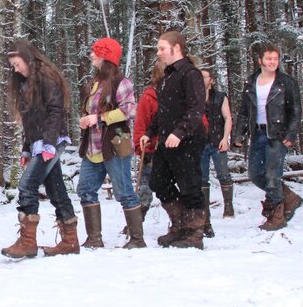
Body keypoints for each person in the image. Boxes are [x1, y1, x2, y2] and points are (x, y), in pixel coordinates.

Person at [1, 40, 80, 258]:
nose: (16, 69)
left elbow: (55, 112)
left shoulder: (46, 78)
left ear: (28, 58)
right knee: (55, 188)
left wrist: (49, 144)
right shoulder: (25, 85)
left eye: (17, 64)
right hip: (39, 144)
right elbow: (29, 121)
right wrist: (27, 149)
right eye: (13, 66)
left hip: (52, 141)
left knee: (27, 185)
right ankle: (70, 241)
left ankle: (28, 242)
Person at [139, 31, 207, 249]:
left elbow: (196, 109)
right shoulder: (167, 76)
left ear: (176, 48)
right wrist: (149, 132)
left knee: (190, 186)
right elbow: (163, 111)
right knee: (158, 181)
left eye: (162, 48)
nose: (158, 53)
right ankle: (179, 225)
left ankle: (194, 232)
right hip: (166, 140)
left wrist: (180, 132)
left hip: (187, 140)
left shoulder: (191, 74)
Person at [76, 37, 145, 249]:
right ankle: (94, 238)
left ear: (106, 56)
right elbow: (92, 111)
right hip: (93, 146)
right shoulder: (93, 83)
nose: (91, 55)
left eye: (96, 52)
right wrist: (85, 119)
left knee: (124, 191)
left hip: (117, 142)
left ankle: (137, 239)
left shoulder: (121, 82)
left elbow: (129, 110)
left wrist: (99, 118)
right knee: (85, 189)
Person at [232, 42, 303, 231]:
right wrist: (239, 134)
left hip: (278, 135)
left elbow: (296, 111)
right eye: (269, 59)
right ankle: (289, 197)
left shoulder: (286, 82)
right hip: (257, 133)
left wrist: (291, 134)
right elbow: (244, 112)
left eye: (275, 58)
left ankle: (276, 216)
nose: (273, 62)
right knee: (255, 174)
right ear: (260, 61)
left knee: (273, 174)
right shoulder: (251, 82)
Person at [199, 68, 235, 238]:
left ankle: (228, 205)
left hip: (217, 140)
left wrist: (225, 138)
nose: (201, 79)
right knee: (202, 179)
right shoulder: (194, 97)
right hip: (200, 144)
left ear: (211, 80)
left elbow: (228, 117)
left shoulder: (220, 97)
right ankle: (205, 214)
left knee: (223, 174)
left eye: (204, 77)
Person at [133, 60, 165, 224]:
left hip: (176, 148)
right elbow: (141, 124)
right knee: (145, 187)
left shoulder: (182, 95)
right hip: (152, 149)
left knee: (170, 188)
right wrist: (141, 147)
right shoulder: (149, 97)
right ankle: (136, 224)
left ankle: (182, 222)